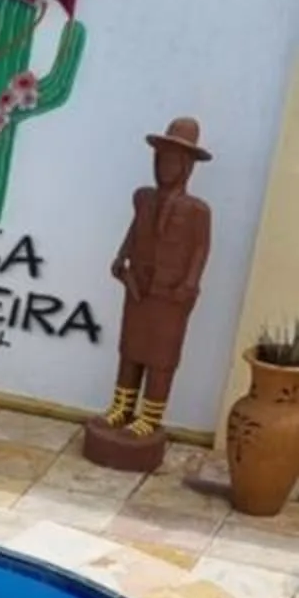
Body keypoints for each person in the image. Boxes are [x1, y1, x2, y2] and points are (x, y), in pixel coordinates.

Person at [99, 116, 212, 448]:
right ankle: (122, 407)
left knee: (161, 355)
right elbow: (135, 232)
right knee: (131, 349)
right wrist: (121, 258)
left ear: (188, 166)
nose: (166, 167)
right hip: (139, 285)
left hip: (171, 293)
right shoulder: (143, 198)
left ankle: (150, 415)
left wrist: (190, 283)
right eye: (162, 158)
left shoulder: (198, 211)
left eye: (175, 160)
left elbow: (201, 249)